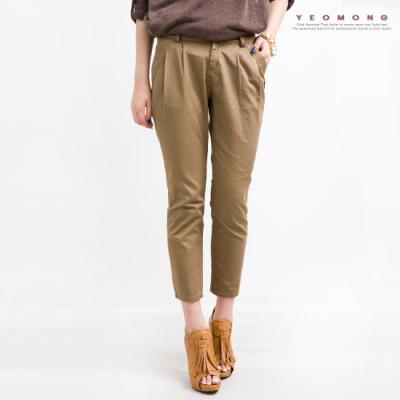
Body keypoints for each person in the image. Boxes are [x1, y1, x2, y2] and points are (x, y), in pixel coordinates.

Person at [130, 0, 294, 393]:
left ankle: (224, 319)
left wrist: (269, 37)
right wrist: (140, 79)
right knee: (185, 200)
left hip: (241, 56)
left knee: (232, 200)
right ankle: (195, 328)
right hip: (176, 55)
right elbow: (142, 7)